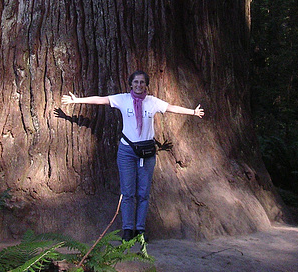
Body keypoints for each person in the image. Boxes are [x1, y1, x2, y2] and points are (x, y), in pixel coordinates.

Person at [61, 70, 204, 242]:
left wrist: (192, 112)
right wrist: (77, 100)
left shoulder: (152, 102)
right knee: (127, 192)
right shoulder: (123, 99)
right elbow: (102, 100)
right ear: (131, 84)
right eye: (136, 82)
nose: (139, 85)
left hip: (147, 153)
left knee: (143, 193)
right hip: (127, 151)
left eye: (142, 82)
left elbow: (171, 108)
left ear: (146, 85)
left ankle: (140, 230)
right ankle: (128, 229)